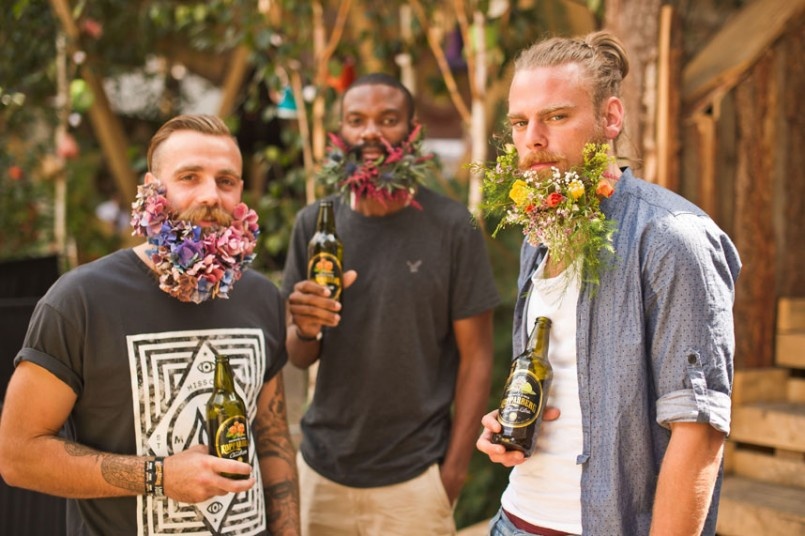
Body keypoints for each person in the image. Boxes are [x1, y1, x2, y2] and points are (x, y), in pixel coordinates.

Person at [476, 32, 741, 535]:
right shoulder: (539, 235)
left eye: (556, 117)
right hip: (513, 519)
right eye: (519, 122)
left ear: (611, 118)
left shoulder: (670, 237)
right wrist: (513, 422)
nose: (533, 139)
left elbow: (699, 432)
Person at [0, 114, 300, 535]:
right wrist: (160, 476)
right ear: (152, 188)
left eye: (226, 181)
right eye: (189, 177)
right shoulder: (80, 300)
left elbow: (272, 440)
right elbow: (18, 455)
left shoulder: (261, 296)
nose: (210, 194)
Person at [281, 73, 500, 535]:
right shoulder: (315, 225)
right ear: (341, 132)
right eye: (356, 120)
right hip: (322, 472)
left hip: (415, 480)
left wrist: (453, 473)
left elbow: (477, 358)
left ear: (412, 131)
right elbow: (299, 355)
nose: (370, 132)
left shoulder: (452, 226)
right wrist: (305, 327)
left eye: (387, 119)